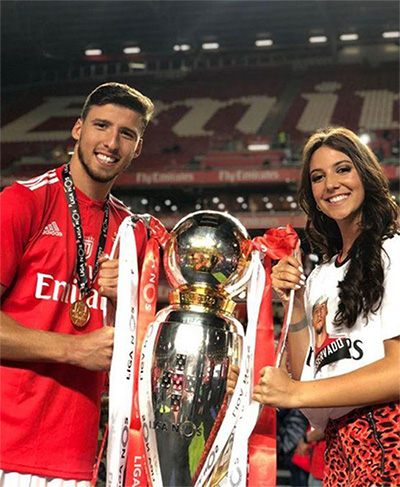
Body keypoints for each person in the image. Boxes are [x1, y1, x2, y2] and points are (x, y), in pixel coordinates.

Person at [0, 82, 154, 486]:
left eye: (127, 134)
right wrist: (72, 349)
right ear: (78, 128)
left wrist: (127, 303)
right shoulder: (22, 203)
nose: (112, 143)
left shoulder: (134, 234)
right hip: (6, 445)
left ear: (137, 148)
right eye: (102, 126)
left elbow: (142, 347)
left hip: (76, 456)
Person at [253, 127, 400, 486]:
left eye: (343, 169)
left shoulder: (395, 252)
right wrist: (295, 303)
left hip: (390, 433)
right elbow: (310, 375)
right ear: (313, 196)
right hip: (337, 447)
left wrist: (295, 392)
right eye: (318, 177)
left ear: (366, 175)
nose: (331, 184)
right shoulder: (320, 276)